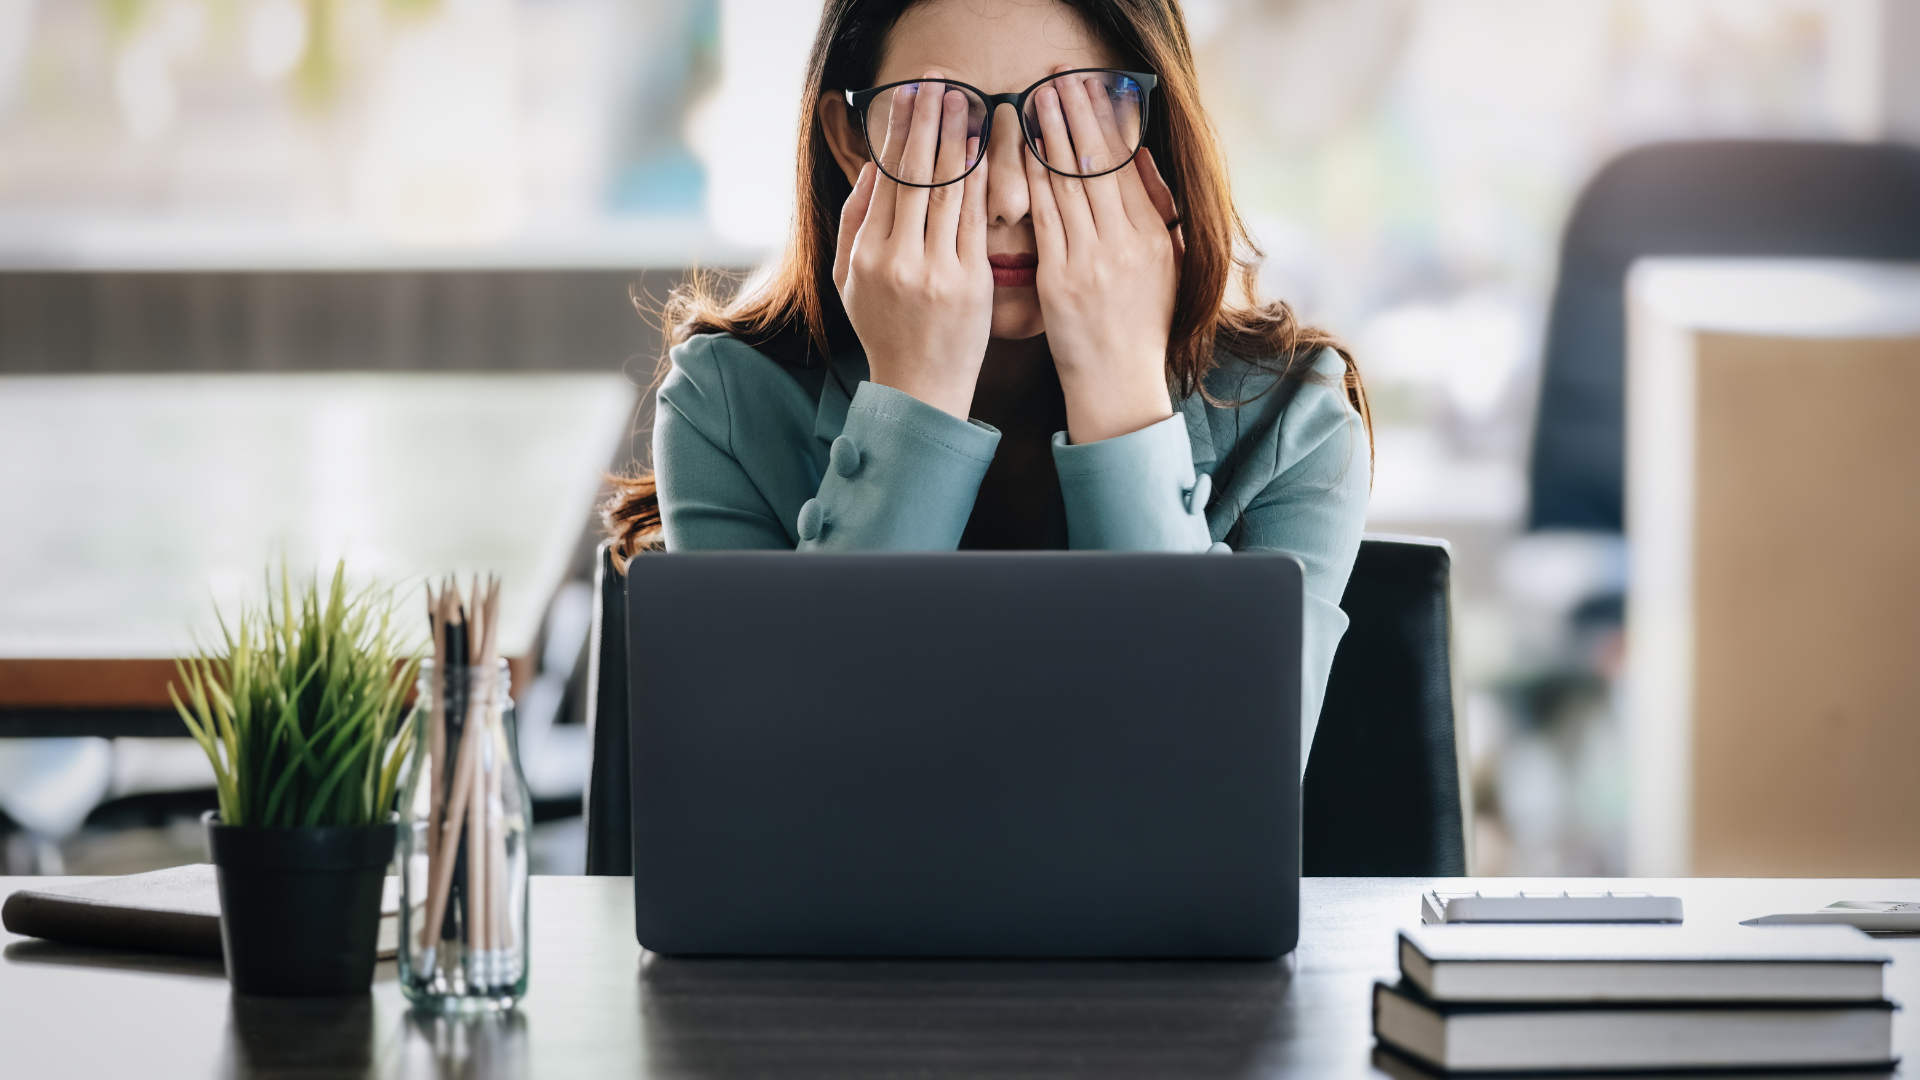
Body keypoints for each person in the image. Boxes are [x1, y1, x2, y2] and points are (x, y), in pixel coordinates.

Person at [603, 0, 1371, 756]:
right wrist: (913, 395)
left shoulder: (1295, 423)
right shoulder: (727, 405)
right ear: (851, 142)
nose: (1008, 196)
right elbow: (783, 776)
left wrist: (1121, 389)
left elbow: (1217, 779)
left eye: (1070, 121)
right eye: (943, 120)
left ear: (1152, 134)